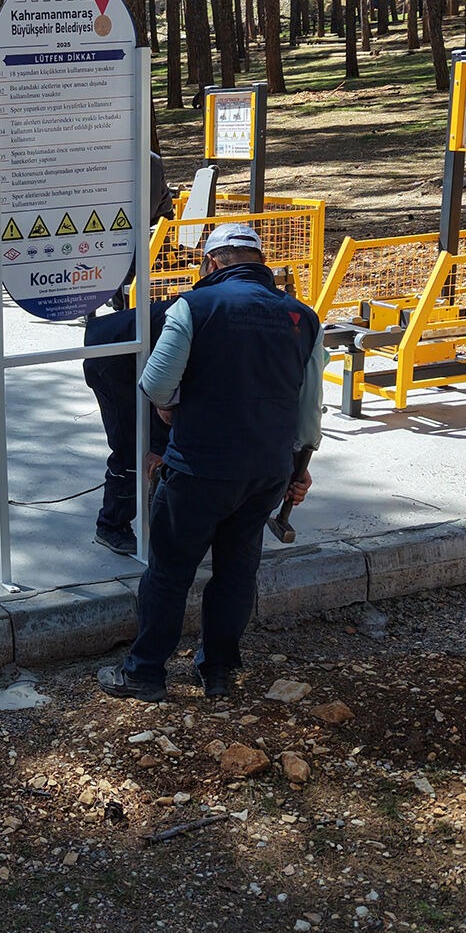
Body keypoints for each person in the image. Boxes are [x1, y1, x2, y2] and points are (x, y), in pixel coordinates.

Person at [97, 222, 325, 701]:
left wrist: (169, 407)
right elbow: (309, 413)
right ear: (261, 263)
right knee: (237, 571)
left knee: (169, 572)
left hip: (198, 468)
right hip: (265, 472)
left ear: (211, 262)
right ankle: (218, 671)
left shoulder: (195, 305)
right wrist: (298, 469)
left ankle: (144, 674)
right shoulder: (303, 317)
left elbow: (157, 383)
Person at [83, 298, 174, 556]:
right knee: (133, 444)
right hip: (112, 355)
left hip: (143, 353)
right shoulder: (210, 323)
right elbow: (165, 388)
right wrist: (159, 444)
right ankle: (111, 525)